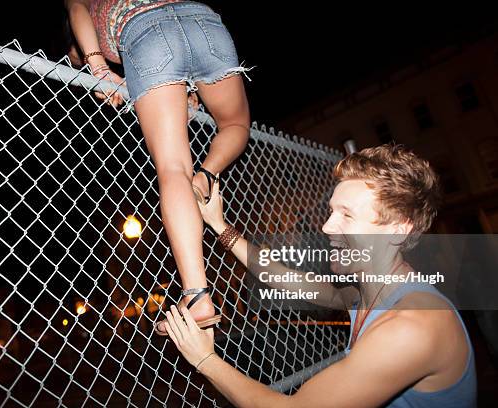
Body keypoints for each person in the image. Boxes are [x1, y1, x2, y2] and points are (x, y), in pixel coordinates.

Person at [163, 145, 477, 407]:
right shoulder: (362, 295)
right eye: (331, 211)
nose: (327, 227)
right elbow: (282, 278)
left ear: (398, 228)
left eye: (347, 215)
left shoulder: (413, 325)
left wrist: (204, 359)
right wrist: (220, 227)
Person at [64, 0, 251, 335]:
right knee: (235, 125)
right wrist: (188, 87)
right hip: (204, 22)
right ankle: (207, 175)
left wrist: (98, 67)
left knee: (173, 167)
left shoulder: (91, 18)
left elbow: (77, 9)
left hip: (145, 31)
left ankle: (196, 297)